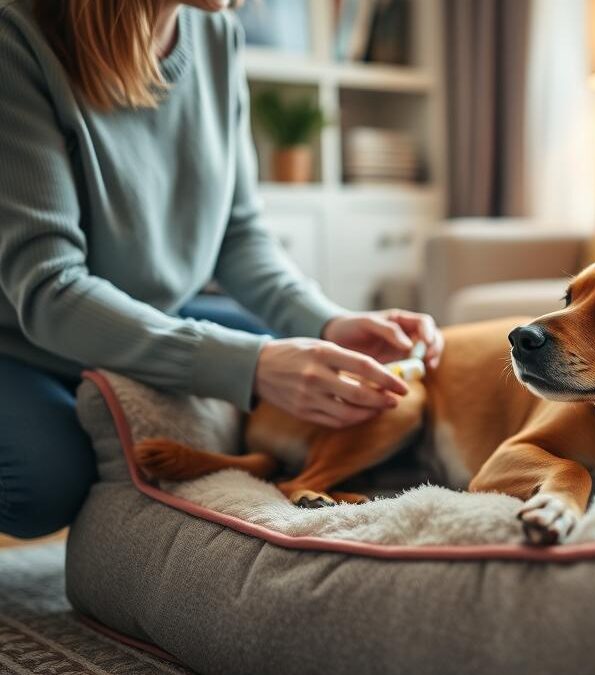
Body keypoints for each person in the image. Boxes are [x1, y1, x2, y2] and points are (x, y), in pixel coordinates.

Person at [0, 0, 443, 539]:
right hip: (20, 340)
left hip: (152, 312)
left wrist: (327, 323)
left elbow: (239, 237)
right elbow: (51, 291)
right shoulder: (16, 37)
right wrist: (253, 365)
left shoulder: (216, 32)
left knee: (323, 378)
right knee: (42, 486)